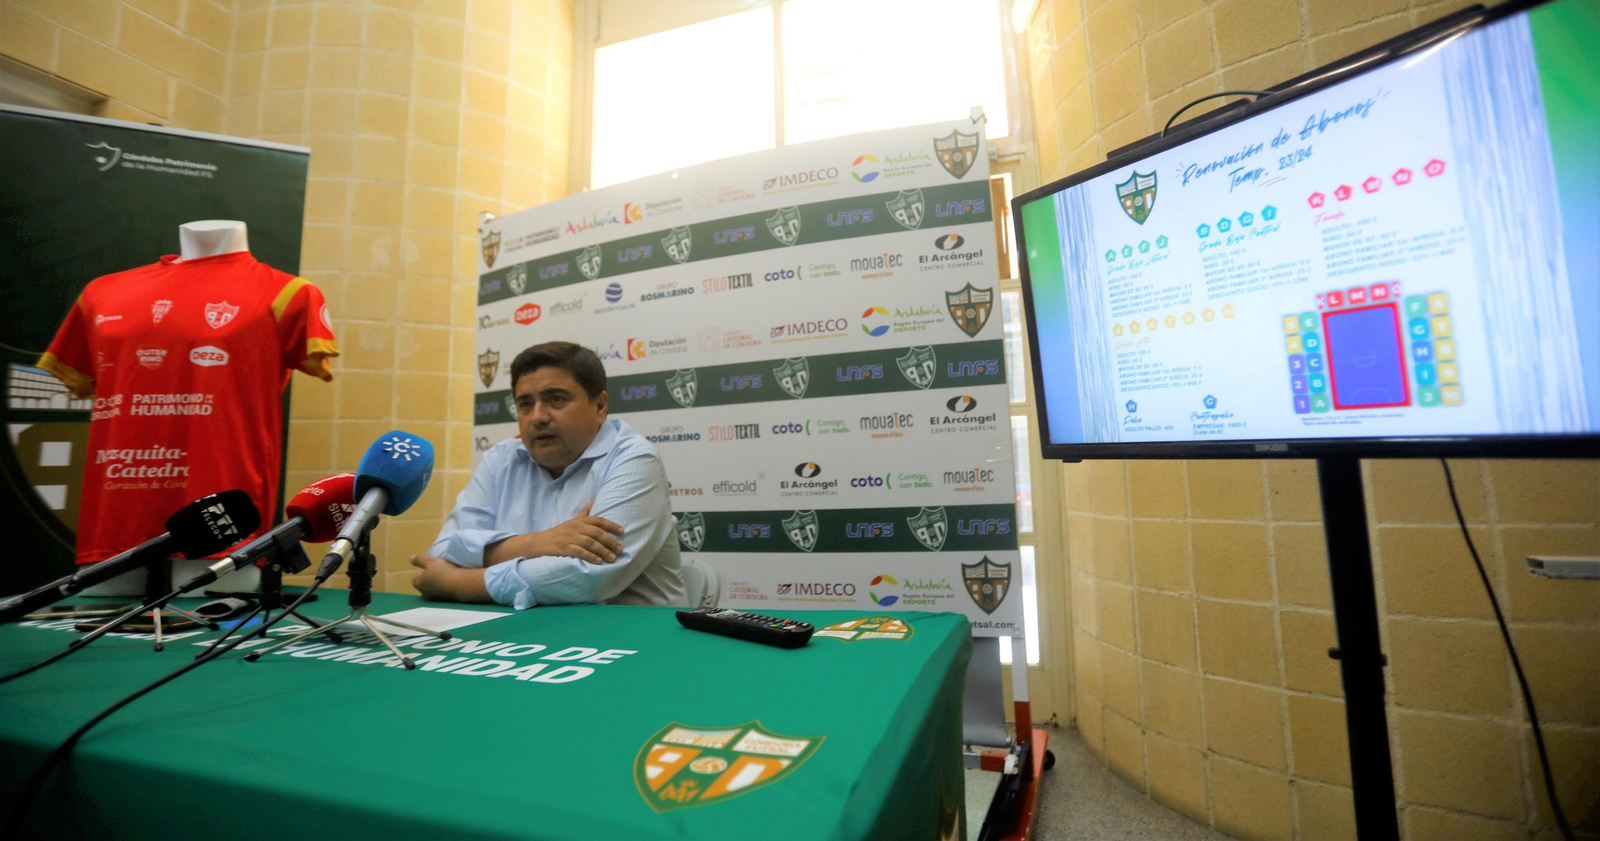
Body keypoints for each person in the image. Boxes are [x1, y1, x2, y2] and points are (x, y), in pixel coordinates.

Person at [410, 341, 685, 608]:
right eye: (525, 404)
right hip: (523, 634)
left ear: (600, 406)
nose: (538, 416)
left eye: (556, 399)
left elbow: (588, 578)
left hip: (632, 640)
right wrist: (536, 543)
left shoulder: (634, 458)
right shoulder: (501, 459)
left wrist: (458, 583)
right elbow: (442, 551)